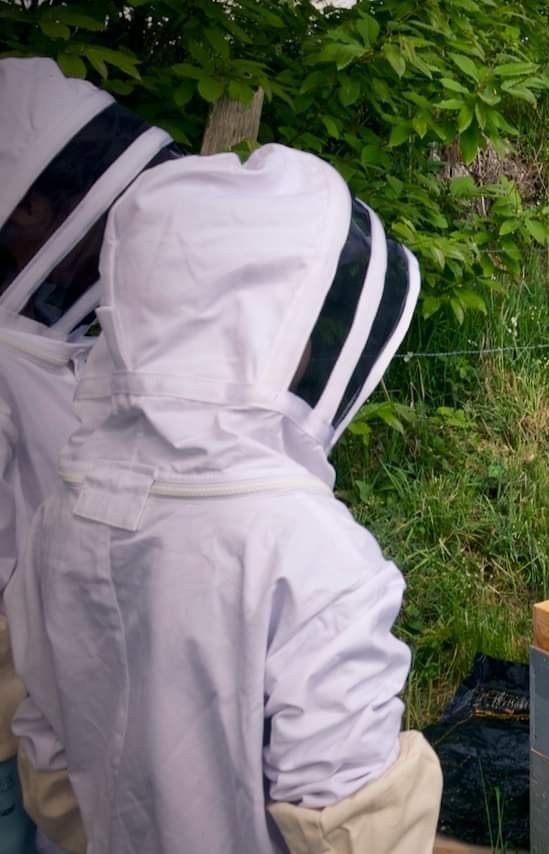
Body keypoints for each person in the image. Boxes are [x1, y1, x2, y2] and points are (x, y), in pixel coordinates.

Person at [4, 143, 443, 852]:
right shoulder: (315, 555)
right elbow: (350, 825)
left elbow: (50, 759)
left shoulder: (63, 510)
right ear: (270, 320)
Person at [0, 55, 183, 852]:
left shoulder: (48, 343)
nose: (104, 224)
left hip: (60, 716)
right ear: (26, 205)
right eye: (80, 198)